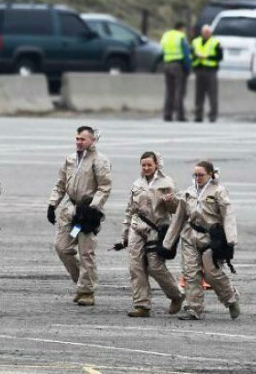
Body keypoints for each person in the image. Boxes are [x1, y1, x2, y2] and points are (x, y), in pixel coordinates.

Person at [158, 161, 240, 320]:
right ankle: (195, 309)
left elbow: (228, 215)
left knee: (212, 273)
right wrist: (168, 242)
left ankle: (231, 299)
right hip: (190, 236)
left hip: (211, 238)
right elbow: (179, 218)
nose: (198, 178)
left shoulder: (219, 192)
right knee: (190, 273)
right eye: (195, 175)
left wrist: (231, 239)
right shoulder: (189, 193)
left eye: (201, 175)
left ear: (210, 174)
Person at [113, 151, 184, 317]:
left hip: (157, 229)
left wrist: (170, 200)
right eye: (143, 165)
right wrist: (124, 234)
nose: (146, 168)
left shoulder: (167, 183)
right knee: (135, 267)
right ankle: (141, 305)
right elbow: (130, 209)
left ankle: (177, 295)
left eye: (149, 165)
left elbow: (176, 209)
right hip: (137, 229)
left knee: (155, 267)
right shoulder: (137, 184)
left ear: (156, 165)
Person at [47, 126, 112, 306]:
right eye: (77, 138)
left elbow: (104, 187)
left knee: (86, 252)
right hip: (71, 212)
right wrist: (52, 204)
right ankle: (81, 283)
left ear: (92, 140)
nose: (79, 142)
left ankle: (86, 291)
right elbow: (60, 184)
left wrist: (93, 208)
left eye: (83, 139)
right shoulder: (70, 160)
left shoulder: (100, 161)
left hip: (88, 215)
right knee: (62, 247)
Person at [191, 24, 224, 122]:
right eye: (204, 32)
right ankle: (198, 115)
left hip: (211, 71)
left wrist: (206, 57)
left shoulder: (215, 42)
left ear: (211, 33)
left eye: (208, 32)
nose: (206, 34)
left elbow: (219, 57)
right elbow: (191, 54)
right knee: (198, 95)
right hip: (199, 70)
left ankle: (212, 116)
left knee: (212, 95)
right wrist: (196, 58)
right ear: (201, 32)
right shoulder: (195, 42)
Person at [160, 21, 192, 122]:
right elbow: (186, 53)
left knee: (169, 91)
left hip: (167, 64)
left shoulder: (166, 35)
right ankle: (179, 115)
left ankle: (167, 114)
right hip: (178, 66)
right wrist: (188, 67)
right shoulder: (180, 36)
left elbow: (161, 50)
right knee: (179, 91)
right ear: (181, 28)